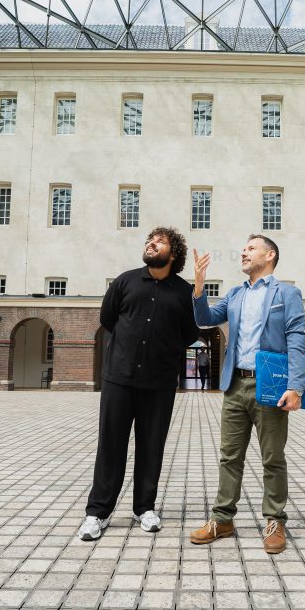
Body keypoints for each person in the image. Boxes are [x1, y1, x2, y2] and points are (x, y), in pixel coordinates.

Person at [78, 228, 200, 541]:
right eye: (150, 240)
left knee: (152, 447)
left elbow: (189, 334)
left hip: (159, 383)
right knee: (111, 446)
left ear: (173, 255)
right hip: (119, 378)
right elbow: (108, 319)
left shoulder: (183, 292)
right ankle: (97, 512)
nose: (151, 243)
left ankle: (144, 508)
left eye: (159, 241)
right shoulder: (125, 281)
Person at [188, 235, 305, 555]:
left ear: (270, 255)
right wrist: (198, 288)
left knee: (272, 457)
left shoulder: (287, 293)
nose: (243, 251)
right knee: (230, 456)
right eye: (242, 248)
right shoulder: (236, 294)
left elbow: (296, 338)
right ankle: (222, 519)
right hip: (235, 386)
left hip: (270, 387)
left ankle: (275, 520)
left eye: (251, 248)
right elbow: (205, 320)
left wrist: (296, 387)